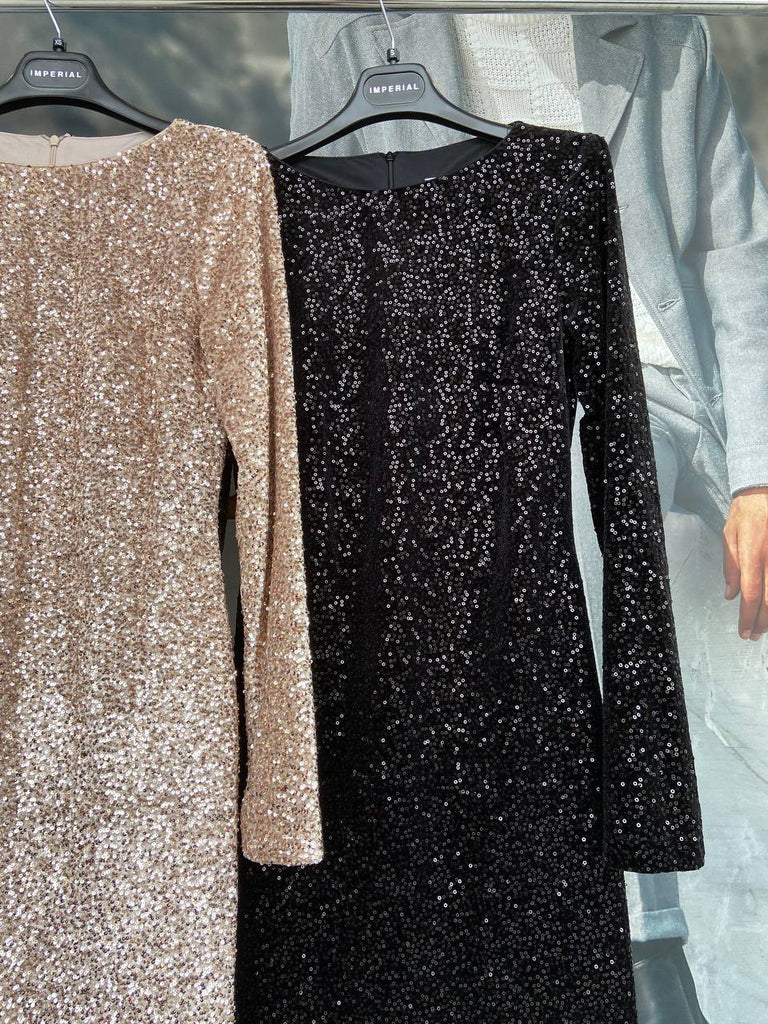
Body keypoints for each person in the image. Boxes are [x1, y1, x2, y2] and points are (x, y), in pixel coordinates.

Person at [285, 10, 768, 1024]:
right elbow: (319, 239)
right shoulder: (347, 27)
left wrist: (758, 476)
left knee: (566, 523)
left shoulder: (665, 38)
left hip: (649, 388)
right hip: (436, 399)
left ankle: (637, 929)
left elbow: (737, 249)